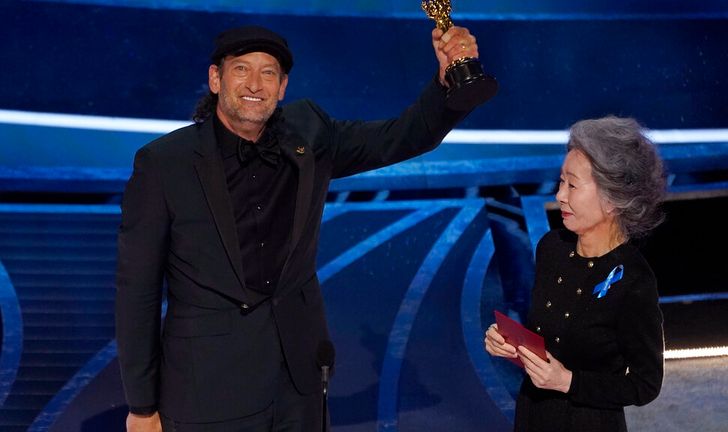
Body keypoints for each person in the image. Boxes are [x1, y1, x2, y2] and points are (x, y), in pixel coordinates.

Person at [116, 23, 487, 432]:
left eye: (269, 72)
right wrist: (142, 405)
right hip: (207, 388)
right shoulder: (163, 163)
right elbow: (138, 292)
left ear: (283, 86)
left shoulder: (309, 133)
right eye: (241, 69)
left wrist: (448, 80)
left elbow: (402, 137)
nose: (255, 83)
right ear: (215, 78)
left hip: (298, 384)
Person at [485, 116, 666, 431]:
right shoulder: (551, 247)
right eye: (560, 182)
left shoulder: (635, 281)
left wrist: (569, 382)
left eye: (572, 184)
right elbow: (549, 338)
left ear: (612, 199)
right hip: (532, 415)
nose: (559, 196)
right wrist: (510, 343)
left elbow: (644, 385)